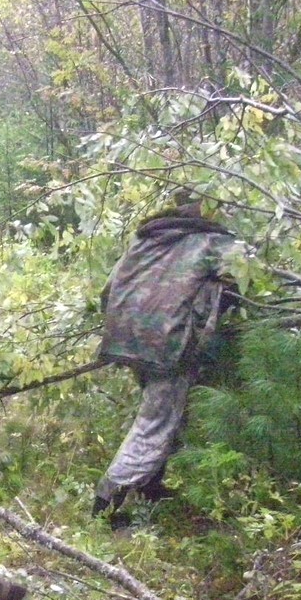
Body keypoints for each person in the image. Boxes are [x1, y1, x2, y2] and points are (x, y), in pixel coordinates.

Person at [93, 202, 239, 523]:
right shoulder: (213, 242)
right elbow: (249, 279)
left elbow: (108, 289)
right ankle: (109, 501)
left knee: (165, 413)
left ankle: (150, 487)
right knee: (156, 423)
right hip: (170, 347)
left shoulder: (149, 239)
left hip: (130, 341)